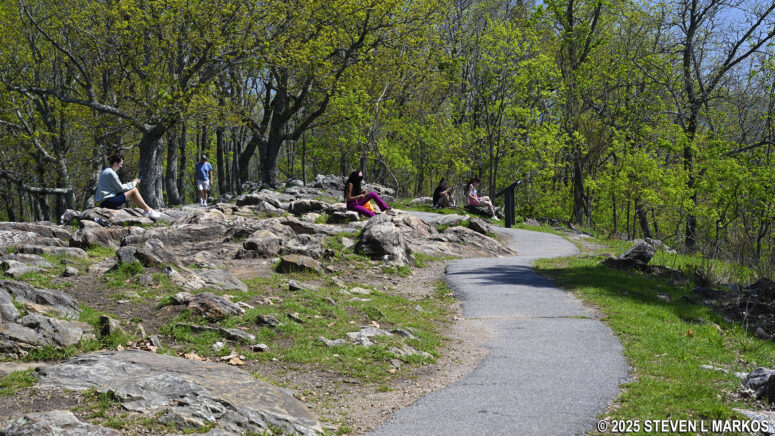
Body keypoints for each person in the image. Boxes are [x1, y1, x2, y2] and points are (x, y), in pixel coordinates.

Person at [95, 153, 161, 219]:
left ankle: (148, 210)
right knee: (134, 190)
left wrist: (130, 183)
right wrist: (134, 183)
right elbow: (121, 188)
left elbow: (118, 187)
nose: (121, 166)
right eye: (120, 164)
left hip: (104, 201)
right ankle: (148, 210)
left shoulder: (106, 170)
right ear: (115, 163)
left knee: (131, 189)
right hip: (108, 202)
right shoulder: (111, 173)